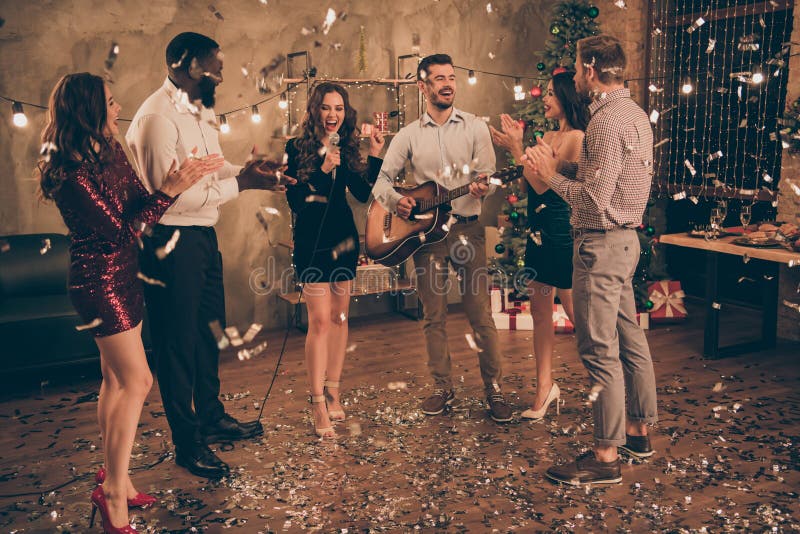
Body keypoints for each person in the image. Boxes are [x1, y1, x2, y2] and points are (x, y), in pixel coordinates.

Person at [38, 73, 223, 532]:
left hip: (125, 274)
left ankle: (112, 476)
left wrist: (168, 186)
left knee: (114, 380)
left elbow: (139, 202)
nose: (118, 108)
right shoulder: (70, 170)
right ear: (87, 110)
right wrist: (170, 191)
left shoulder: (109, 148)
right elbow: (125, 228)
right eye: (110, 101)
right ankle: (114, 494)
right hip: (98, 282)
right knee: (138, 381)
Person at [126, 32, 290, 479]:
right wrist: (244, 186)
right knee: (176, 345)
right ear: (181, 64)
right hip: (169, 242)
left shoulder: (200, 110)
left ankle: (211, 417)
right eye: (211, 66)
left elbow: (211, 168)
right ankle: (187, 442)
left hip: (201, 238)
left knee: (207, 334)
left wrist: (246, 171)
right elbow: (171, 198)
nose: (219, 73)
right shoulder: (157, 119)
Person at [524, 35, 658, 485]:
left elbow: (596, 199)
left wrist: (548, 176)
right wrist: (558, 168)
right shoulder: (635, 114)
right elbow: (608, 179)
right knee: (630, 339)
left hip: (600, 244)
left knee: (599, 349)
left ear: (593, 69)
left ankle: (604, 457)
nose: (577, 75)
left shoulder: (602, 122)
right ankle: (638, 432)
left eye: (580, 67)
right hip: (626, 243)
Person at [372, 53, 512, 423]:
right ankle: (442, 388)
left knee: (480, 314)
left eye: (451, 77)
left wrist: (481, 188)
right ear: (423, 86)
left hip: (467, 229)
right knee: (433, 316)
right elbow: (382, 182)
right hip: (427, 239)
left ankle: (494, 389)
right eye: (439, 79)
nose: (448, 83)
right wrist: (398, 202)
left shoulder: (475, 128)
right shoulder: (408, 135)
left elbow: (487, 174)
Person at [284, 82, 385, 438]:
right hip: (312, 240)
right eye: (327, 108)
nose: (333, 115)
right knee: (320, 322)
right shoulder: (295, 149)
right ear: (315, 111)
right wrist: (323, 172)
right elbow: (296, 202)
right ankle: (316, 402)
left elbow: (360, 193)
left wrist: (374, 156)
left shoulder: (348, 145)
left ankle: (335, 390)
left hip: (343, 237)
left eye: (339, 108)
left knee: (341, 318)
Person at [490, 71, 589, 421]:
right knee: (541, 312)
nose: (544, 98)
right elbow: (533, 183)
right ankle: (544, 389)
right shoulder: (548, 136)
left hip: (561, 229)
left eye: (550, 93)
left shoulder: (577, 138)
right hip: (538, 228)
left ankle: (608, 384)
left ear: (566, 97)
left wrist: (517, 147)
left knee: (579, 314)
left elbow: (547, 186)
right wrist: (520, 149)